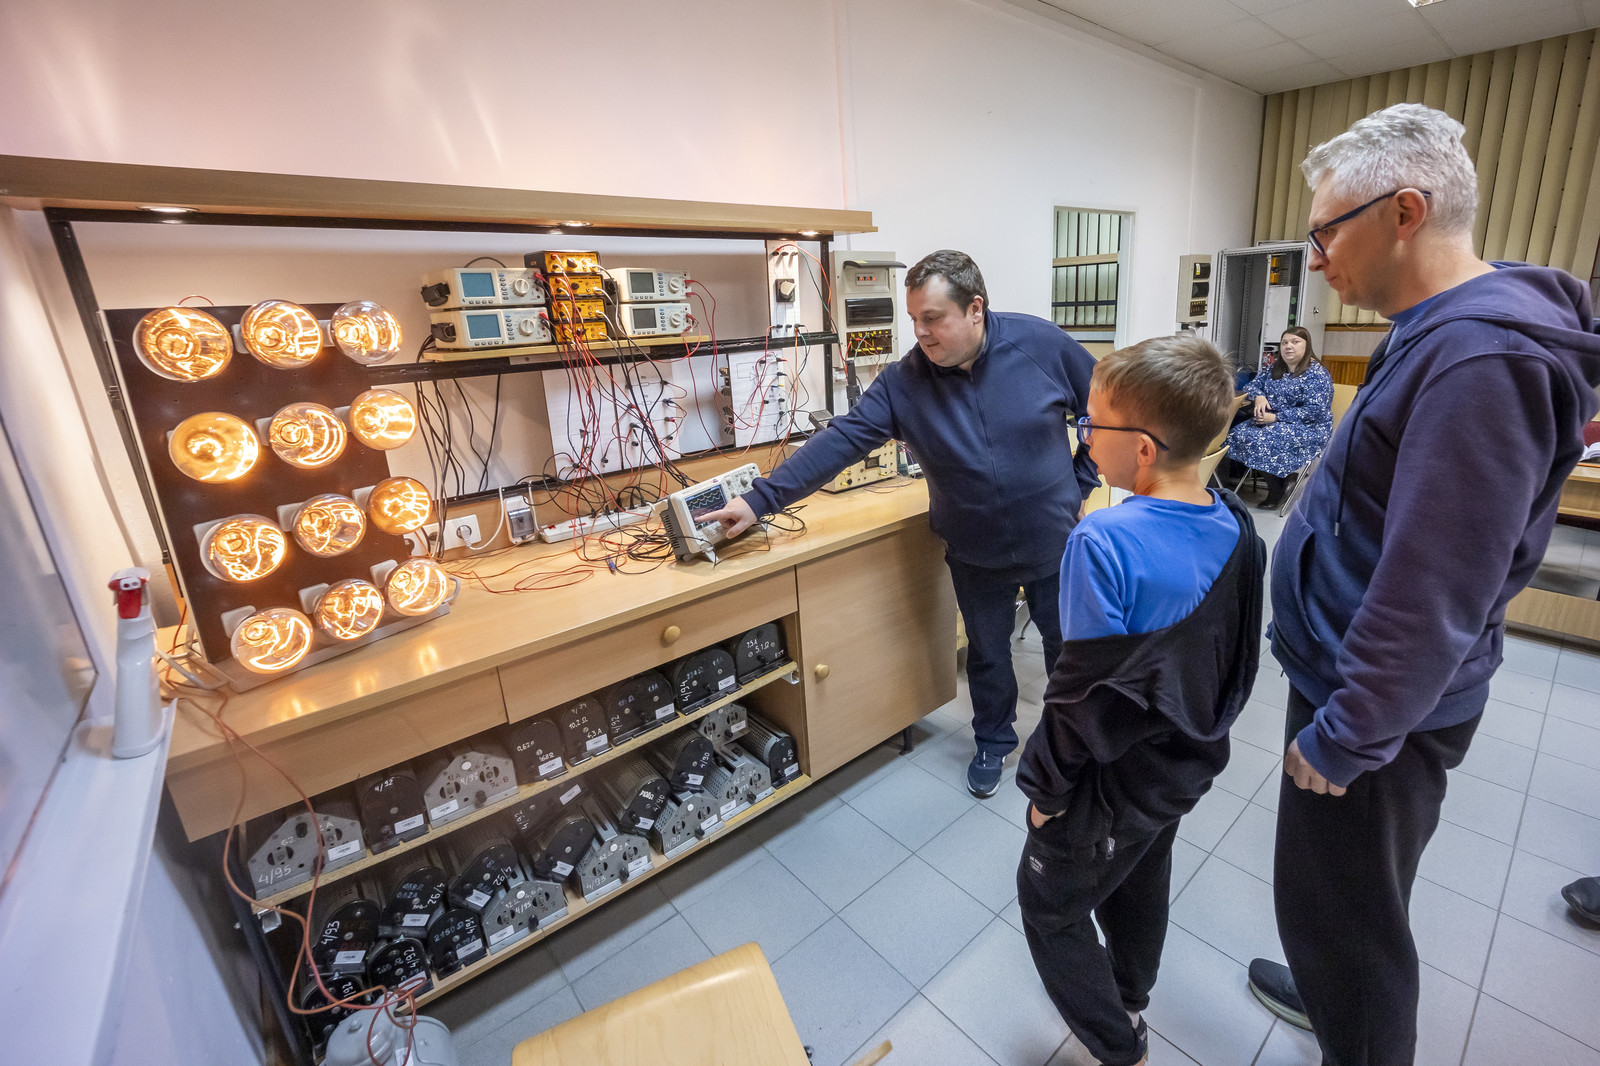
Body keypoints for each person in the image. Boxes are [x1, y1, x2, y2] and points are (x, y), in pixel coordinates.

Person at [1244, 103, 1600, 1066]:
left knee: (1351, 924)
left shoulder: (1482, 359)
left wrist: (1351, 732)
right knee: (1342, 901)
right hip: (1357, 680)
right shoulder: (1429, 325)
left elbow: (1434, 586)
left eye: (1326, 231)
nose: (1315, 256)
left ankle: (1354, 1021)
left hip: (1376, 709)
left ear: (1405, 212)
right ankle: (1331, 989)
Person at [702, 250, 1099, 798]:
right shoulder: (904, 382)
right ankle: (993, 739)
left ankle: (1071, 745)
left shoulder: (1041, 345)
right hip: (974, 550)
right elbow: (840, 441)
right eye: (913, 319)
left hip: (1054, 540)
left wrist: (1082, 480)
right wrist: (759, 501)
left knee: (1068, 650)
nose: (920, 332)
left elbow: (1108, 406)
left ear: (975, 309)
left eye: (932, 318)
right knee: (988, 653)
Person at [1015, 334, 1265, 1066]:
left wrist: (1046, 792)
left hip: (1112, 782)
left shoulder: (1103, 540)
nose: (1084, 437)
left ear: (1144, 448)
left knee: (1049, 905)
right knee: (1141, 871)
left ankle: (1118, 1045)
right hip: (1179, 767)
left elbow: (1079, 696)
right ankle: (1130, 993)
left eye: (1092, 423)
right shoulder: (1236, 524)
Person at [1222, 326, 1333, 509]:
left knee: (1264, 440)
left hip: (1309, 427)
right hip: (1270, 421)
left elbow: (1316, 411)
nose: (1288, 346)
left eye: (1295, 342)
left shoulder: (1317, 373)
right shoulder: (1275, 368)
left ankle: (1277, 490)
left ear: (1307, 346)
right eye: (1284, 343)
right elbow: (1251, 386)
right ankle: (1282, 479)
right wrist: (1259, 396)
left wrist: (1276, 418)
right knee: (1237, 434)